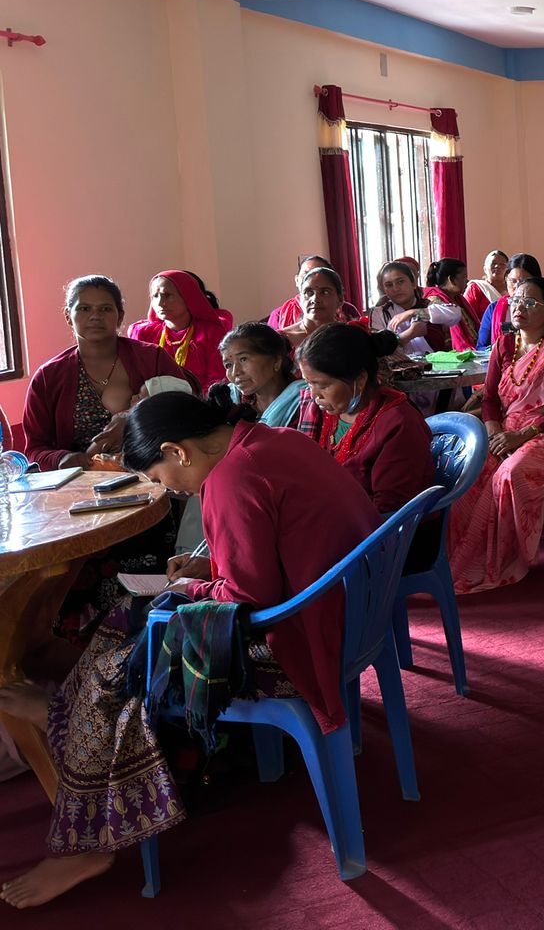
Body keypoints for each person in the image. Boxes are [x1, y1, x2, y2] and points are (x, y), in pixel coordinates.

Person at [0, 391, 379, 909]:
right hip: (346, 615)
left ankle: (86, 830)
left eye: (161, 478)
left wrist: (191, 588)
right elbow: (274, 549)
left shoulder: (230, 479)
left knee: (121, 663)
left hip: (296, 640)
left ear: (176, 451)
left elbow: (248, 598)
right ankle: (70, 709)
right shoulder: (273, 441)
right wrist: (210, 570)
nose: (171, 490)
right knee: (126, 622)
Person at [449, 277, 544, 593]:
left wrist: (522, 435)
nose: (520, 306)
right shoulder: (504, 344)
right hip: (505, 430)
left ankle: (507, 557)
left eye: (531, 302)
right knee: (467, 467)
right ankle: (467, 555)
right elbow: (489, 398)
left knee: (511, 473)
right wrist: (494, 431)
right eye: (517, 300)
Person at [21, 276, 197, 470]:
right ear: (68, 316)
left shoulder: (153, 358)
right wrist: (61, 459)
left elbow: (188, 415)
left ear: (120, 316)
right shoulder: (47, 378)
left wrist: (132, 420)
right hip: (81, 481)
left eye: (105, 309)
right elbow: (35, 449)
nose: (95, 316)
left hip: (154, 474)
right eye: (84, 308)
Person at [292, 324, 434, 517]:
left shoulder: (399, 424)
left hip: (377, 528)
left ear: (360, 379)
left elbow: (391, 509)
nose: (315, 394)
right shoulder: (322, 412)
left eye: (323, 385)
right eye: (309, 383)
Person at [126, 270, 232, 392]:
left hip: (199, 401)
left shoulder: (211, 333)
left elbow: (217, 380)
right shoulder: (143, 333)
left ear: (188, 297)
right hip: (153, 401)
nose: (160, 303)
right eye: (155, 296)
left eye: (167, 295)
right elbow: (134, 378)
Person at [220, 322, 306, 427]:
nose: (235, 372)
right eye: (228, 365)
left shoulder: (304, 402)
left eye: (243, 359)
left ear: (276, 361)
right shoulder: (231, 400)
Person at [371, 260, 456, 358]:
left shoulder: (427, 305)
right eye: (389, 285)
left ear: (414, 283)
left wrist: (413, 312)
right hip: (398, 366)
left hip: (435, 365)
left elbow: (455, 314)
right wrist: (410, 333)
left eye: (400, 282)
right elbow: (377, 349)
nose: (395, 289)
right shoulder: (380, 313)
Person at [266, 254, 361, 330]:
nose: (315, 299)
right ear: (297, 280)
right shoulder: (279, 315)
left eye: (325, 292)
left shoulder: (348, 311)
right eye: (306, 274)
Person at [279, 266, 358, 350]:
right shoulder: (280, 340)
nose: (315, 299)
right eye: (308, 292)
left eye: (325, 292)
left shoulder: (352, 337)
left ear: (340, 300)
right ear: (300, 299)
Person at [476, 253, 543, 350]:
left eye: (524, 282)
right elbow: (481, 347)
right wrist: (496, 350)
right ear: (506, 279)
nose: (517, 287)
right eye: (513, 281)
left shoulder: (543, 307)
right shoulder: (493, 309)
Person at [422, 258, 482, 352]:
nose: (467, 281)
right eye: (464, 277)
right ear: (452, 280)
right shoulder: (435, 302)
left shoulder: (459, 299)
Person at [464, 249, 509, 322]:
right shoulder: (476, 288)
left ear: (508, 269)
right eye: (493, 263)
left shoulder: (513, 288)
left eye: (502, 264)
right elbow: (467, 315)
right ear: (485, 268)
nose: (497, 266)